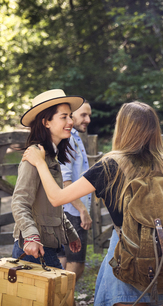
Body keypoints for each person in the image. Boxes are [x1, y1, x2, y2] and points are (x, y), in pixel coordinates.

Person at [23, 101, 163, 306]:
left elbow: (57, 198)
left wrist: (39, 163)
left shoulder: (110, 166)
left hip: (126, 259)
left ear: (123, 128)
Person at [11, 89, 82, 269]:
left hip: (46, 246)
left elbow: (51, 204)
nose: (71, 122)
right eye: (64, 117)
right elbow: (19, 202)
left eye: (71, 116)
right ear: (46, 122)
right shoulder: (34, 156)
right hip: (35, 249)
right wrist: (31, 236)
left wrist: (70, 233)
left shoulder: (50, 157)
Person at [58, 100, 93, 281]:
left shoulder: (74, 138)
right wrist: (82, 210)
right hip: (72, 211)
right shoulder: (69, 140)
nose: (87, 119)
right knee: (76, 264)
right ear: (71, 116)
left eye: (89, 115)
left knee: (63, 261)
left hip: (68, 209)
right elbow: (65, 182)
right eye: (83, 115)